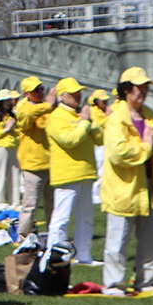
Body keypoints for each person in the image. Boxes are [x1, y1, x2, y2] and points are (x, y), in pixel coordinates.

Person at [100, 66, 153, 296]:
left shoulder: (151, 116)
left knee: (150, 241)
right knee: (118, 241)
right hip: (123, 189)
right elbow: (119, 154)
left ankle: (147, 282)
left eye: (146, 86)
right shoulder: (116, 119)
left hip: (149, 187)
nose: (143, 91)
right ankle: (114, 285)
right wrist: (147, 147)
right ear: (126, 89)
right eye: (139, 87)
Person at [45, 77, 101, 262]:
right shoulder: (56, 117)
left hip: (86, 172)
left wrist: (90, 122)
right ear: (62, 96)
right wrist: (85, 122)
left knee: (86, 218)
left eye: (79, 92)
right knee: (62, 218)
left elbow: (101, 139)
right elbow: (69, 140)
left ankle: (84, 255)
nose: (78, 96)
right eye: (73, 93)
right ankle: (55, 256)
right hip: (67, 174)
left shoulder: (80, 116)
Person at [15, 76, 56, 238]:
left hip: (50, 163)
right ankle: (23, 236)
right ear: (26, 94)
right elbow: (28, 117)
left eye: (41, 89)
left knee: (52, 204)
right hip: (33, 165)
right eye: (35, 90)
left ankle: (54, 234)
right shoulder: (24, 108)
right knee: (30, 204)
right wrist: (49, 105)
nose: (40, 92)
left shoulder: (45, 107)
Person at [89, 89, 111, 206]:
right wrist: (109, 117)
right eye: (103, 101)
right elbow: (98, 124)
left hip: (104, 144)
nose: (106, 103)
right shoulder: (94, 111)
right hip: (97, 145)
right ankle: (95, 194)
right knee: (99, 170)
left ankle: (100, 193)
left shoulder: (102, 112)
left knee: (103, 169)